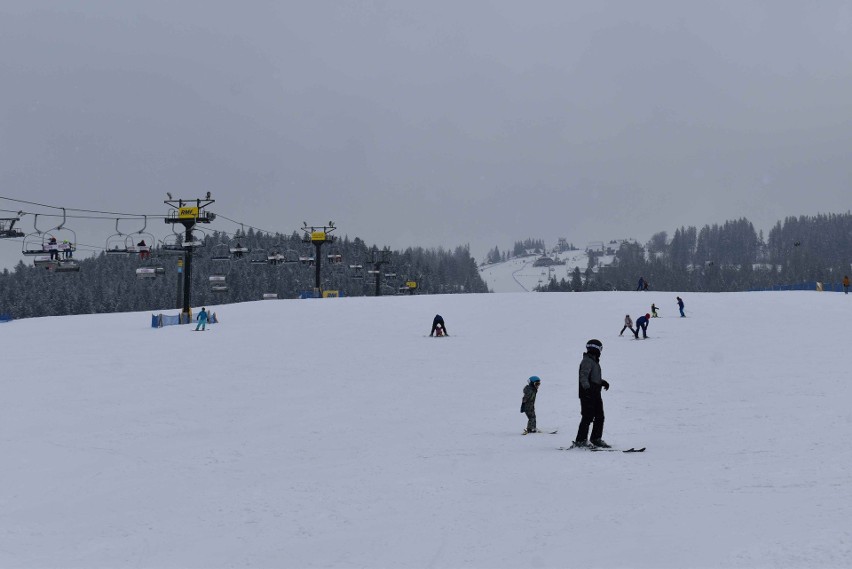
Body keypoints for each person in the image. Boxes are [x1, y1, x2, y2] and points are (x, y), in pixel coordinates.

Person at [574, 339, 610, 448]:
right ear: (595, 349)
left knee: (600, 416)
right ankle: (580, 440)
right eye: (600, 349)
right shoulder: (587, 361)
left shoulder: (593, 361)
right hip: (588, 394)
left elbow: (593, 377)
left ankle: (596, 438)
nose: (601, 351)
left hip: (595, 393)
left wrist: (602, 382)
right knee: (588, 416)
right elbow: (583, 376)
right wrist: (587, 389)